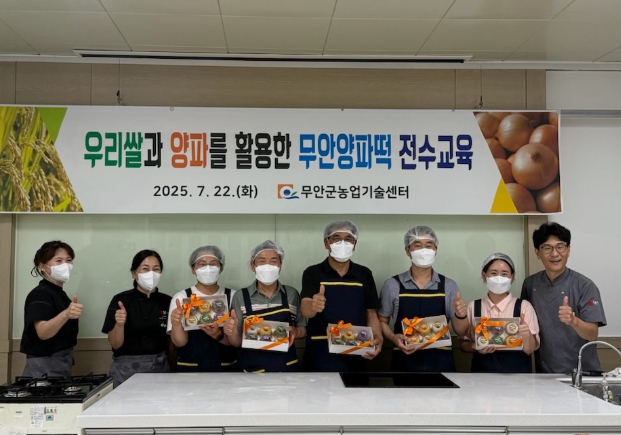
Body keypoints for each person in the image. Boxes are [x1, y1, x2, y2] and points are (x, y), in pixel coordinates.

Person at [378, 226, 468, 372]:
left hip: (441, 363)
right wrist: (393, 337)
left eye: (429, 245)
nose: (424, 250)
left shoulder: (449, 285)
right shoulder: (392, 285)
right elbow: (382, 321)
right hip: (404, 362)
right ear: (408, 250)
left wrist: (461, 315)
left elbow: (461, 331)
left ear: (435, 249)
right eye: (418, 245)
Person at [521, 222, 607, 374]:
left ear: (568, 250)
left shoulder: (585, 286)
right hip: (545, 375)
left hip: (582, 373)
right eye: (547, 248)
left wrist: (573, 321)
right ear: (537, 252)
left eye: (560, 247)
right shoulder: (530, 284)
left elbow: (592, 334)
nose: (555, 254)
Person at [300, 221, 382, 372]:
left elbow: (371, 313)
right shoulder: (313, 272)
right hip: (321, 353)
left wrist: (378, 336)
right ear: (326, 243)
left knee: (356, 386)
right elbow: (305, 308)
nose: (343, 243)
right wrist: (313, 305)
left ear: (355, 244)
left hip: (357, 351)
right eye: (336, 238)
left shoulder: (364, 274)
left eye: (348, 239)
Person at [223, 240, 306, 372]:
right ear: (252, 266)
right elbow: (236, 342)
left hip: (287, 371)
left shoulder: (292, 294)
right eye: (262, 261)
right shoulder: (240, 296)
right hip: (253, 372)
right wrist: (232, 333)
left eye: (273, 261)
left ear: (280, 265)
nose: (268, 266)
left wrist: (296, 332)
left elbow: (303, 329)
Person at [101, 250, 172, 387]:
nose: (151, 273)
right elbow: (115, 344)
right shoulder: (121, 300)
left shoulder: (168, 301)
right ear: (134, 273)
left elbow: (172, 342)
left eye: (156, 269)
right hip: (126, 369)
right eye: (145, 269)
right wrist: (119, 324)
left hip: (159, 367)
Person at [460, 252, 539, 373]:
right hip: (482, 375)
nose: (499, 278)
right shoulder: (473, 307)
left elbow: (529, 350)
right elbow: (463, 345)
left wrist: (526, 335)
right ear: (484, 275)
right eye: (493, 273)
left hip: (517, 376)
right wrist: (474, 346)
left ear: (512, 277)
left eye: (504, 274)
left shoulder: (524, 307)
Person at [168, 245, 238, 372]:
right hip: (189, 368)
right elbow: (179, 342)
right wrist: (176, 324)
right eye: (202, 264)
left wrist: (218, 335)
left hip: (226, 368)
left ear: (221, 268)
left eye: (213, 263)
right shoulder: (182, 297)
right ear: (193, 269)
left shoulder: (233, 296)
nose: (208, 268)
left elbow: (237, 341)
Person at [21, 240, 82, 378]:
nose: (65, 265)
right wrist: (66, 314)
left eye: (68, 260)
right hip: (44, 366)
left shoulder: (59, 294)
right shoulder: (40, 294)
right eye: (58, 261)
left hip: (61, 362)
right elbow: (43, 332)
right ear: (42, 266)